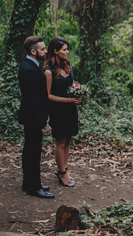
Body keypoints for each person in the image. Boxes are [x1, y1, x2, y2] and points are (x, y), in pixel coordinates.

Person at [17, 36, 54, 198]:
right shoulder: (28, 69)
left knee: (31, 151)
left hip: (33, 115)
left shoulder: (32, 65)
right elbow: (32, 99)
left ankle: (29, 183)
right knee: (32, 152)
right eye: (42, 49)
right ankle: (34, 187)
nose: (45, 51)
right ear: (33, 51)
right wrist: (42, 123)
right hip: (32, 117)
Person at [45, 37, 81, 187]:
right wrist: (67, 100)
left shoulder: (68, 65)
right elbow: (47, 95)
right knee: (60, 141)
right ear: (55, 51)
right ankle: (62, 173)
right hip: (58, 109)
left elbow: (73, 84)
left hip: (70, 109)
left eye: (67, 49)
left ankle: (65, 168)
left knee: (68, 139)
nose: (67, 52)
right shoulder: (48, 71)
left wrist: (79, 92)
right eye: (64, 49)